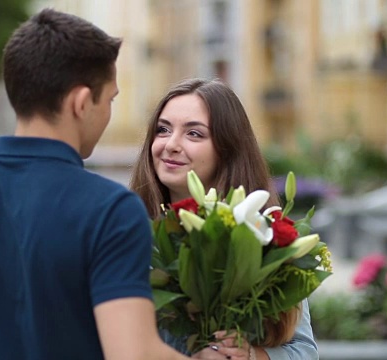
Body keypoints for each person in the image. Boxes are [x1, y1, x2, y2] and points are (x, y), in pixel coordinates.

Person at [0, 9, 195, 360]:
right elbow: (132, 353)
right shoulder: (110, 210)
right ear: (81, 103)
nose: (109, 111)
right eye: (110, 99)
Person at [129, 78, 319, 360]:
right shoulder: (126, 232)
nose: (171, 144)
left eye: (194, 134)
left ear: (227, 149)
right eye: (163, 129)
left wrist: (250, 355)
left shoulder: (261, 232)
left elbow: (303, 352)